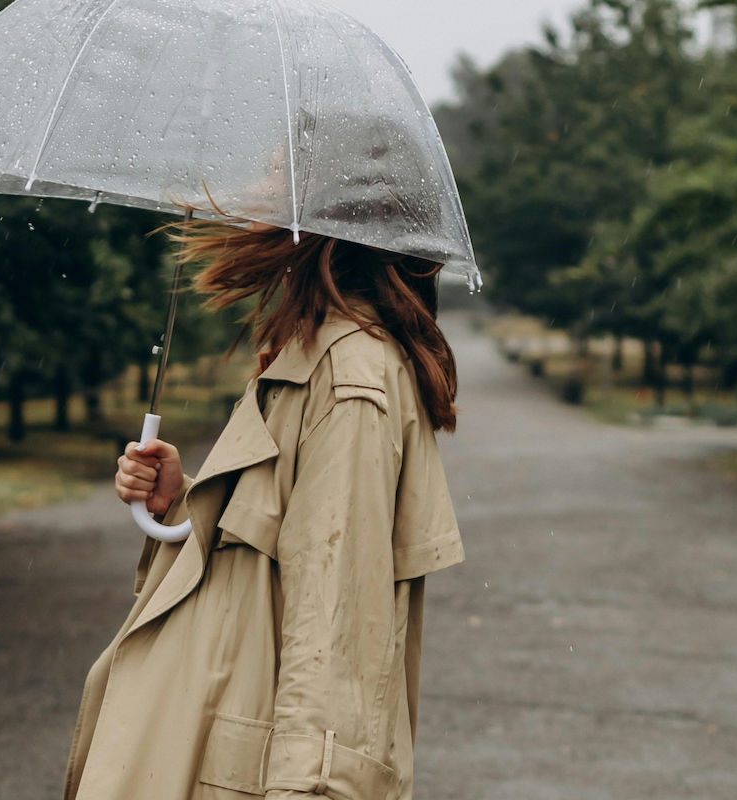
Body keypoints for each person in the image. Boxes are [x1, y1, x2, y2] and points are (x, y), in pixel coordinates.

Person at [62, 217, 465, 800]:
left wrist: (310, 789)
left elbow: (338, 622)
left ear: (329, 212)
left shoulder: (349, 380)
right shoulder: (315, 353)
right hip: (223, 731)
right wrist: (182, 501)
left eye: (278, 169)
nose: (259, 191)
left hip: (261, 771)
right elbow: (269, 558)